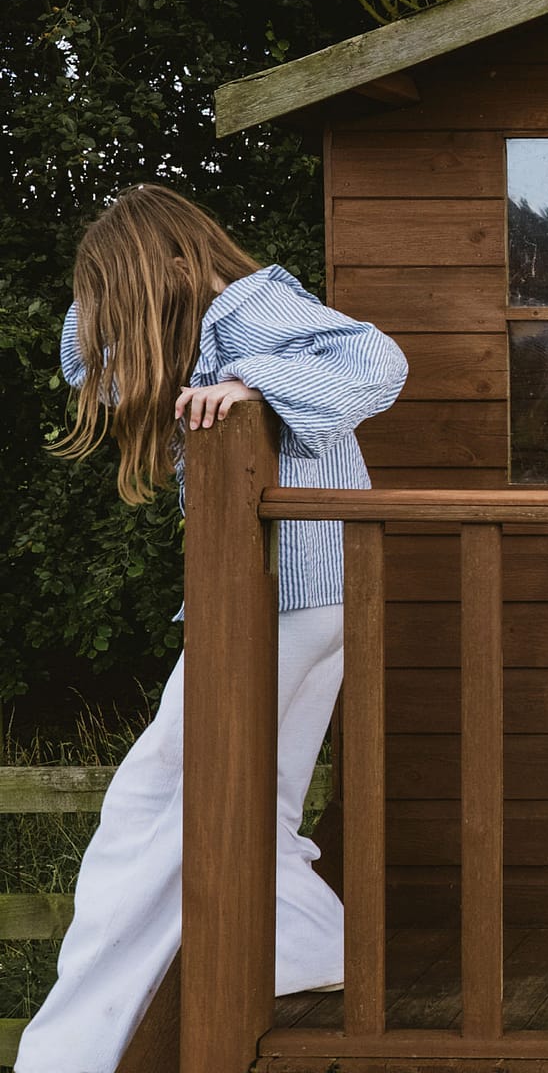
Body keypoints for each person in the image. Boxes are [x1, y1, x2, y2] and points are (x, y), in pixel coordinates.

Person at [18, 183, 408, 1072]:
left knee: (150, 804)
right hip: (313, 597)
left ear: (176, 270)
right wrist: (117, 283)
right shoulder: (204, 317)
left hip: (284, 596)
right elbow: (87, 364)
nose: (116, 322)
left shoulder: (252, 303)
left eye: (128, 291)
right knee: (254, 803)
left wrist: (250, 381)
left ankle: (75, 1047)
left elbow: (379, 363)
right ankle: (312, 955)